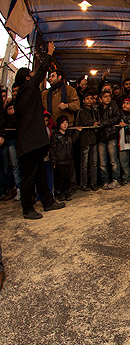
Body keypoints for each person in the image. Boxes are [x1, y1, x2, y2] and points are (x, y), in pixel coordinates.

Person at [13, 42, 65, 219]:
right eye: (31, 75)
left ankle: (48, 202)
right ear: (27, 78)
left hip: (32, 142)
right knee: (29, 177)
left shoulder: (21, 95)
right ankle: (27, 209)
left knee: (40, 172)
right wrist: (49, 53)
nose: (34, 76)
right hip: (30, 143)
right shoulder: (27, 90)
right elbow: (42, 70)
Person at [75, 89, 100, 191]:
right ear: (84, 100)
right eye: (87, 99)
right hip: (85, 139)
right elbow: (85, 121)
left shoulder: (94, 110)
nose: (89, 100)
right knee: (84, 163)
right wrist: (93, 123)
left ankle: (93, 183)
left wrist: (95, 123)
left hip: (93, 138)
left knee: (93, 162)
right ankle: (84, 184)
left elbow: (98, 121)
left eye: (91, 98)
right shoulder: (81, 111)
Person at [50, 115, 79, 201]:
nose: (65, 125)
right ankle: (60, 193)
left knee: (67, 178)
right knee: (60, 178)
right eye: (63, 123)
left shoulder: (68, 135)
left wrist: (77, 132)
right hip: (59, 161)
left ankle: (67, 192)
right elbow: (52, 149)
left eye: (66, 123)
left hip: (68, 160)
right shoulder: (55, 135)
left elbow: (73, 141)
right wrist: (53, 161)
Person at [97, 90, 121, 190]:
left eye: (109, 96)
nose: (107, 98)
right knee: (102, 162)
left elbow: (117, 118)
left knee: (113, 160)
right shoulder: (97, 109)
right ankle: (105, 181)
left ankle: (116, 180)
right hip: (101, 136)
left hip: (111, 135)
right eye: (105, 96)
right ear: (100, 99)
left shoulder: (114, 107)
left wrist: (104, 122)